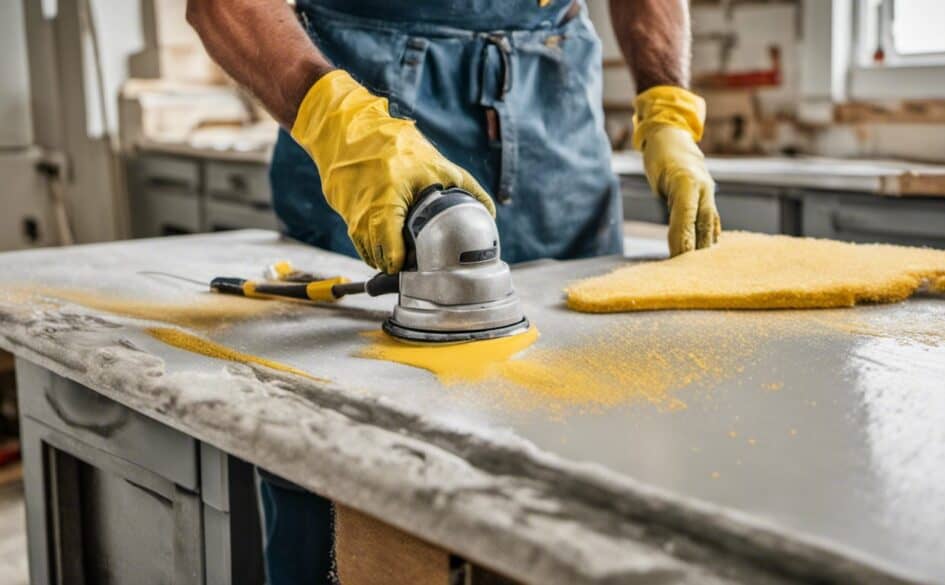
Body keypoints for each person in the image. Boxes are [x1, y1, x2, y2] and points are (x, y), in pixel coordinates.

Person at [187, 0, 719, 582]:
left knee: (583, 438)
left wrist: (666, 108)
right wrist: (337, 122)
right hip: (362, 111)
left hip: (555, 114)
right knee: (334, 452)